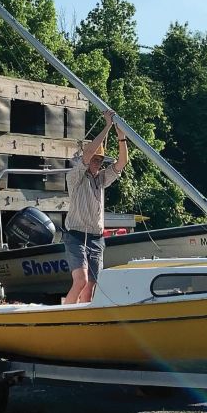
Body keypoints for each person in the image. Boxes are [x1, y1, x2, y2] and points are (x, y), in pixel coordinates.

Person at [63, 109, 128, 303]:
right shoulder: (75, 176)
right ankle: (66, 318)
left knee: (92, 285)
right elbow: (90, 150)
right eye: (95, 159)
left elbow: (122, 162)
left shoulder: (101, 178)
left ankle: (82, 319)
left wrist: (121, 137)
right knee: (81, 281)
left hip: (96, 238)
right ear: (87, 160)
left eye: (100, 160)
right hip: (76, 235)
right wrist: (107, 125)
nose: (98, 163)